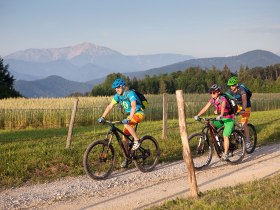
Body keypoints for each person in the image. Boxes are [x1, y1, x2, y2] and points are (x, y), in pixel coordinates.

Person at [98, 78, 145, 168]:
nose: (117, 89)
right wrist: (102, 117)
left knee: (126, 124)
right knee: (124, 139)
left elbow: (133, 106)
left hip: (138, 113)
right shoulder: (117, 96)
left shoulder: (130, 93)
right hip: (130, 116)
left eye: (118, 87)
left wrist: (129, 118)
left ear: (123, 86)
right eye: (115, 88)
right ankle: (127, 159)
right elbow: (110, 106)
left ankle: (137, 140)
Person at [194, 84, 235, 161]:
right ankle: (219, 140)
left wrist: (221, 115)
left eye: (213, 92)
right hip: (221, 118)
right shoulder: (212, 99)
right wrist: (198, 115)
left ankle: (225, 154)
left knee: (225, 135)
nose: (212, 94)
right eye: (211, 92)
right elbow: (206, 107)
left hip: (229, 119)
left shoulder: (222, 98)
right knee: (211, 124)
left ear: (218, 92)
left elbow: (223, 106)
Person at [227, 76, 251, 148]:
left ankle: (248, 140)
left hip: (246, 107)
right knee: (231, 119)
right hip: (238, 106)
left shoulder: (241, 89)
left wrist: (243, 109)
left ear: (236, 84)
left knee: (243, 123)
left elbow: (244, 100)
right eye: (230, 85)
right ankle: (238, 134)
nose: (231, 87)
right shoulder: (230, 91)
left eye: (233, 85)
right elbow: (225, 97)